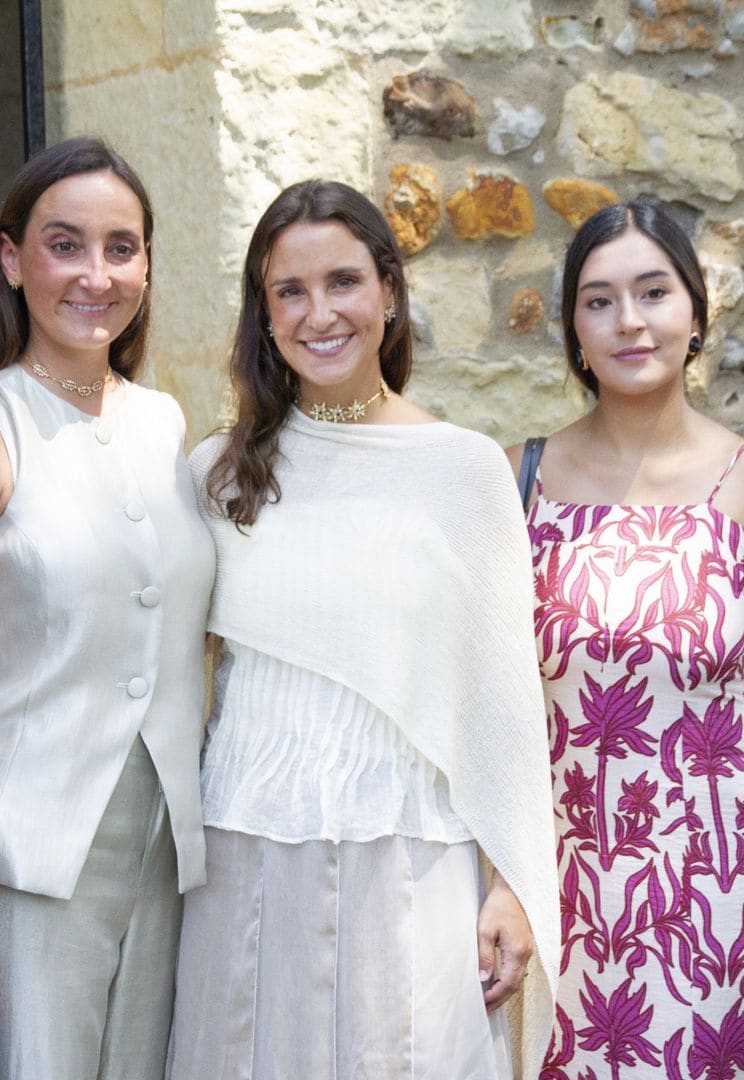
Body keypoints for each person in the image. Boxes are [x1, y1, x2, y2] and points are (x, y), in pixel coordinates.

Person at [165, 179, 559, 1080]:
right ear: (262, 317)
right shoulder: (216, 474)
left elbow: (502, 695)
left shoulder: (462, 471)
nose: (320, 313)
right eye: (289, 293)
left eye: (343, 282)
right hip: (246, 844)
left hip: (412, 854)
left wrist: (513, 885)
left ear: (388, 291)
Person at [0, 137, 215, 1079]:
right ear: (11, 259)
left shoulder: (164, 423)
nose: (96, 274)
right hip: (24, 859)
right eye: (65, 244)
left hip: (169, 857)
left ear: (148, 264)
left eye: (121, 247)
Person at [506, 198, 744, 1078]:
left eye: (654, 293)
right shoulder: (519, 480)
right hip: (557, 893)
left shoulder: (740, 481)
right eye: (599, 301)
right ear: (572, 328)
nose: (630, 322)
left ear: (694, 314)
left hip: (718, 897)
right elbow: (490, 700)